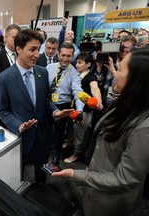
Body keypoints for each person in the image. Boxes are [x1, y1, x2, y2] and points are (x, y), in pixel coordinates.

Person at [52, 47, 149, 216]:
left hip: (110, 203)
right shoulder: (125, 103)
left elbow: (125, 179)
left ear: (136, 80)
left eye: (119, 69)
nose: (113, 73)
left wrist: (76, 174)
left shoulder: (144, 127)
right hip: (95, 189)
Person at [0, 29, 73, 183]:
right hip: (21, 138)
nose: (37, 54)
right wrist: (19, 125)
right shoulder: (4, 78)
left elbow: (46, 100)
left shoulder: (42, 72)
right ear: (18, 49)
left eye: (39, 49)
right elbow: (2, 111)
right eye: (32, 49)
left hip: (43, 135)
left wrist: (55, 112)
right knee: (18, 174)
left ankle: (40, 190)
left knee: (41, 173)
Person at [46, 42, 84, 166]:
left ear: (72, 56)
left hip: (63, 106)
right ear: (58, 54)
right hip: (47, 103)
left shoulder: (74, 73)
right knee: (44, 131)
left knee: (58, 134)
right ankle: (43, 153)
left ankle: (56, 156)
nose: (65, 58)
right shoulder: (49, 68)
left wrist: (79, 111)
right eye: (63, 55)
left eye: (69, 56)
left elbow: (78, 92)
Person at [64, 53, 103, 163]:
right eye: (77, 62)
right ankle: (70, 141)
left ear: (89, 64)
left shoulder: (91, 77)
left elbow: (95, 88)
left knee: (79, 133)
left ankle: (77, 152)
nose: (76, 65)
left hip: (84, 112)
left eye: (80, 62)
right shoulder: (75, 74)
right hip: (72, 108)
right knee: (71, 128)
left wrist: (98, 99)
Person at [0, 23, 21, 124]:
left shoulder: (23, 55)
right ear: (6, 37)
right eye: (14, 37)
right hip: (6, 106)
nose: (17, 41)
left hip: (22, 103)